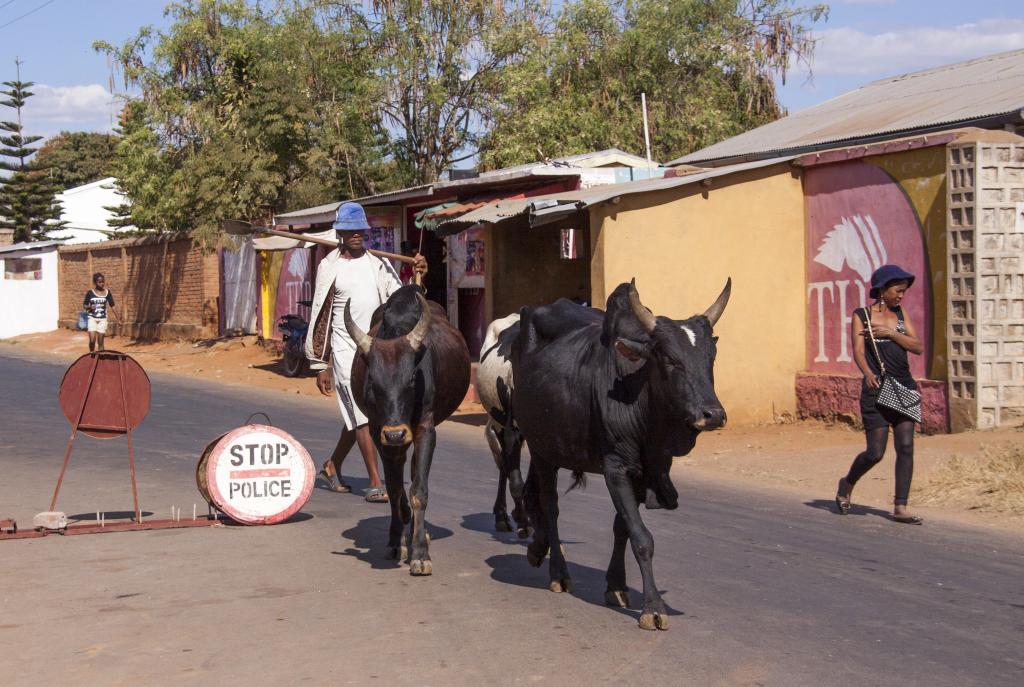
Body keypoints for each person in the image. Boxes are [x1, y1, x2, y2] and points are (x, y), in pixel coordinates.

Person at [304, 202, 427, 503]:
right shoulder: (329, 266)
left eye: (361, 229)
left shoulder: (378, 263)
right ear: (340, 232)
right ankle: (376, 482)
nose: (358, 234)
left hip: (378, 351)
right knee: (360, 416)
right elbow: (320, 315)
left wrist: (418, 275)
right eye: (351, 230)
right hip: (347, 351)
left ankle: (332, 466)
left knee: (366, 412)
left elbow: (400, 300)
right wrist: (321, 364)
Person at [835, 264, 925, 524]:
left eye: (904, 292)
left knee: (906, 446)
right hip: (876, 390)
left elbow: (917, 346)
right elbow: (858, 350)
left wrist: (892, 333)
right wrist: (867, 372)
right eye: (897, 291)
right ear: (883, 289)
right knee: (875, 453)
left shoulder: (900, 315)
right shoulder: (861, 315)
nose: (901, 296)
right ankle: (847, 482)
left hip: (904, 386)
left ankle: (900, 506)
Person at [83, 272, 120, 352]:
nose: (102, 284)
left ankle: (101, 360)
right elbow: (85, 306)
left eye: (103, 282)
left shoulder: (107, 293)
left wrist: (118, 318)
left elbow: (112, 305)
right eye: (99, 282)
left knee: (101, 343)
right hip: (92, 318)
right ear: (95, 282)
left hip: (102, 319)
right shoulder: (90, 293)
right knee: (92, 340)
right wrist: (90, 307)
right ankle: (91, 354)